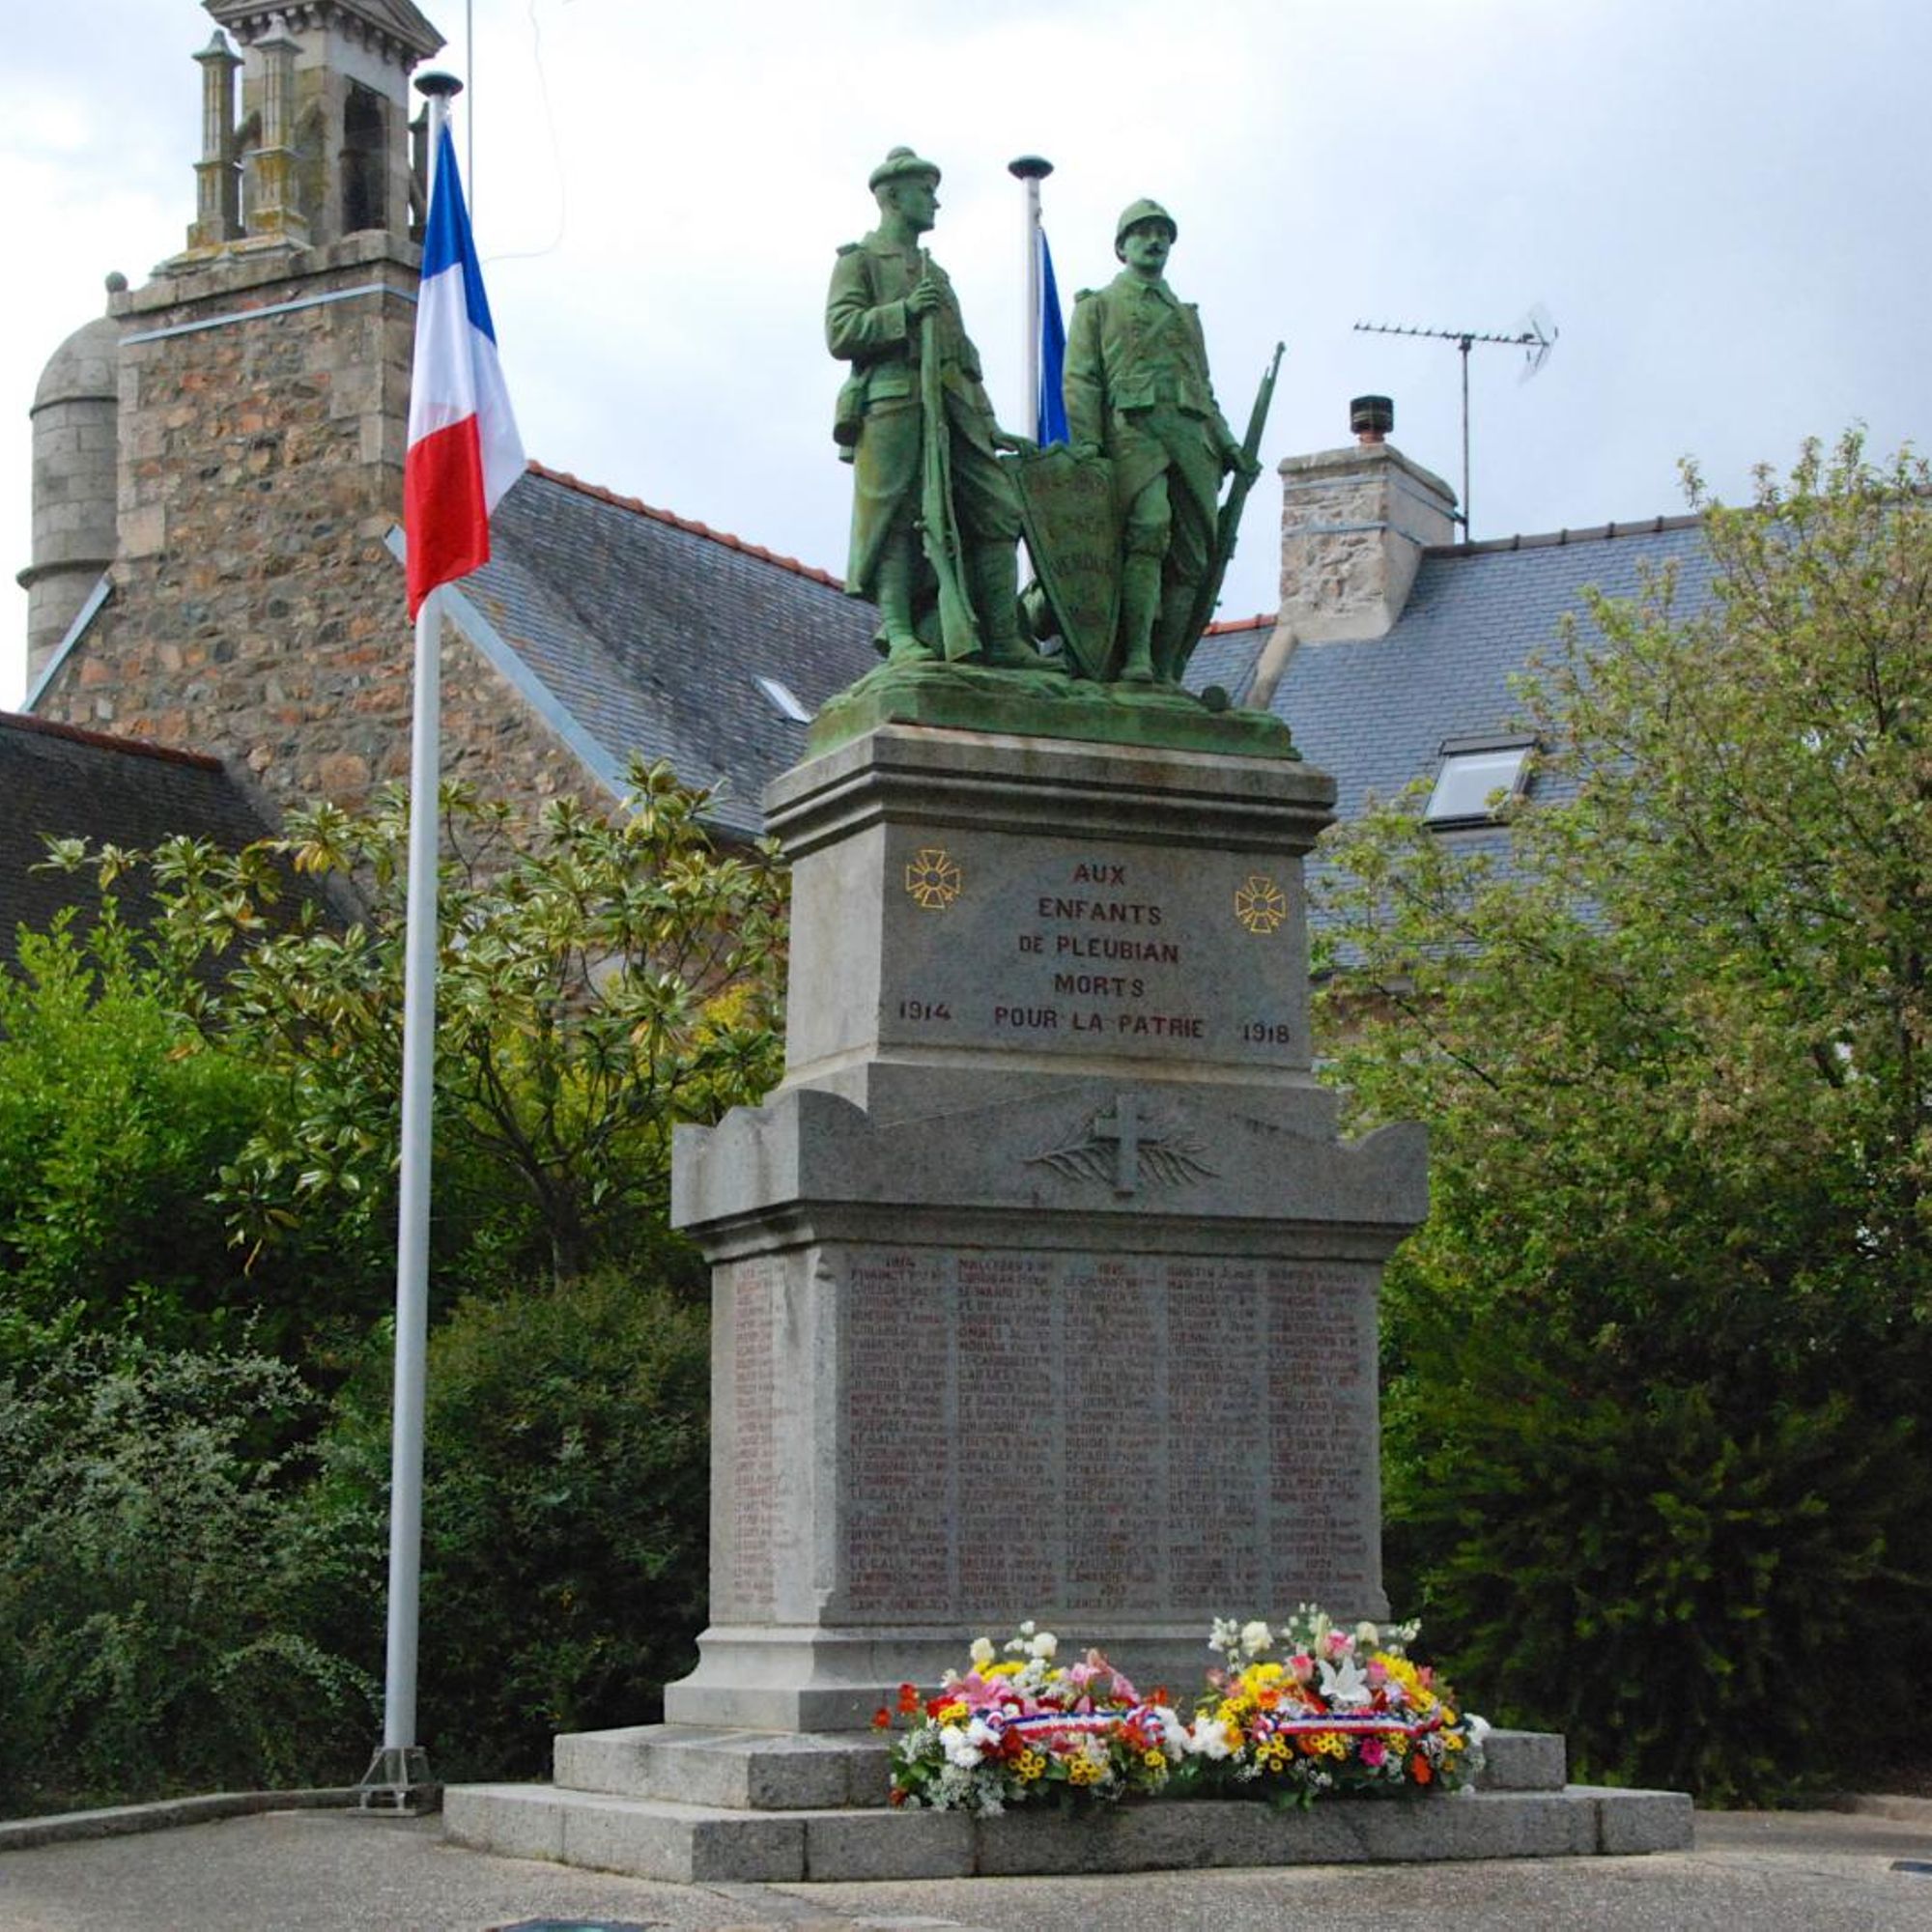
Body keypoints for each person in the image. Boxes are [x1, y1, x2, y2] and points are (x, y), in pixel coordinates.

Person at [827, 146, 1037, 666]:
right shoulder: (860, 260)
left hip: (954, 409)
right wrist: (903, 311)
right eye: (925, 191)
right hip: (893, 401)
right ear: (893, 197)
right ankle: (899, 633)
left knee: (998, 509)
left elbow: (963, 356)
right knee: (897, 516)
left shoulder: (936, 275)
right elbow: (840, 332)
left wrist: (988, 422)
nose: (935, 202)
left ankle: (1003, 637)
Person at [1065, 199, 1258, 682]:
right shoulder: (1098, 306)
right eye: (1143, 232)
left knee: (1194, 557)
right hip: (1135, 437)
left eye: (1162, 234)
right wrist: (1089, 444)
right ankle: (1136, 657)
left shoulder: (1186, 316)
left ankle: (1168, 668)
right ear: (1122, 246)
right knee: (1149, 530)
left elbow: (1203, 388)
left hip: (1193, 441)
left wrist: (1229, 445)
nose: (1154, 241)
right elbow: (1081, 379)